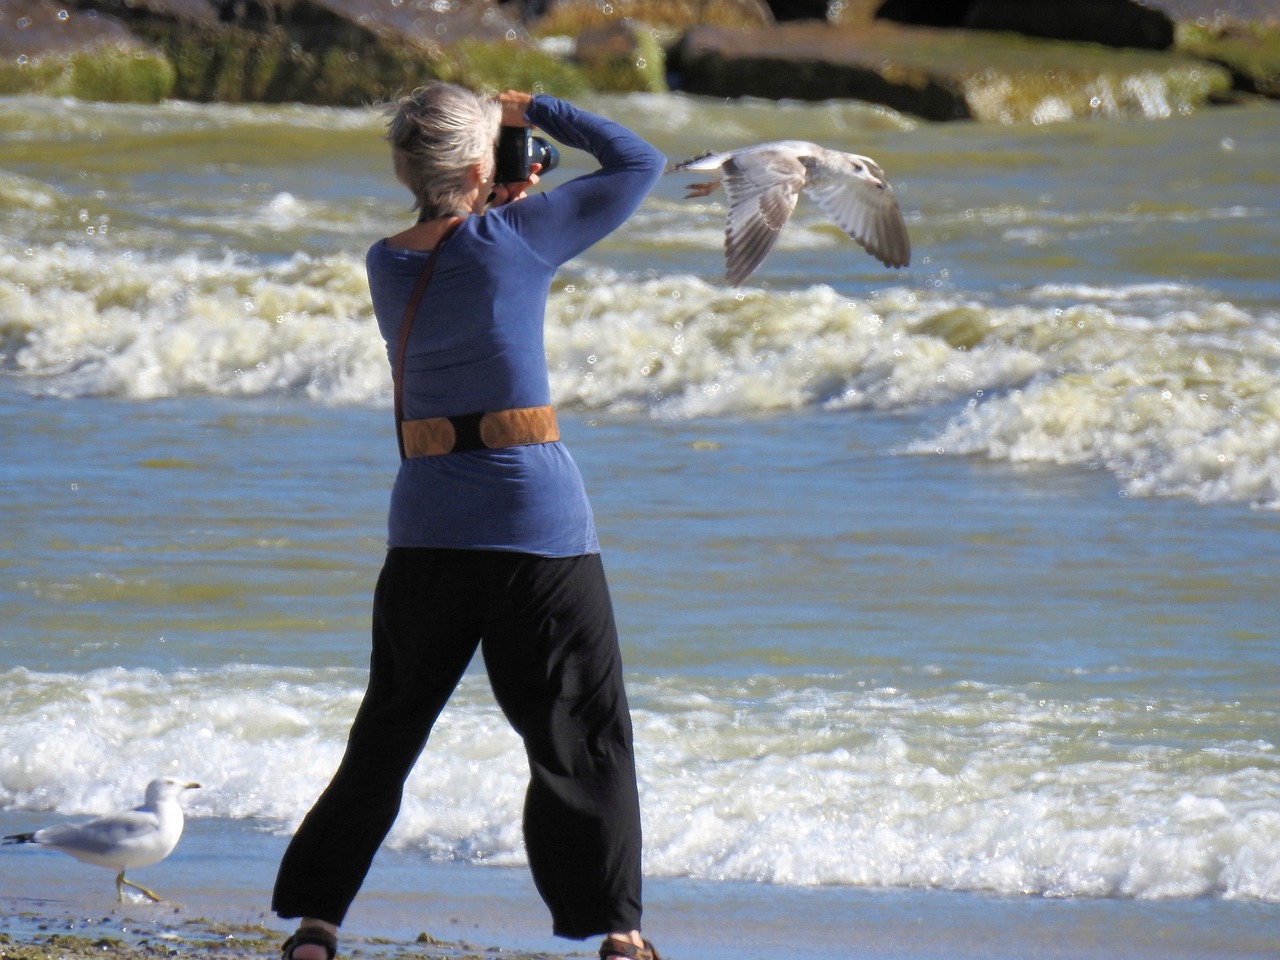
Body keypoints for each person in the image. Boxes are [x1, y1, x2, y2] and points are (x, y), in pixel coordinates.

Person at [270, 84, 666, 960]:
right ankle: (619, 933)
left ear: (408, 168)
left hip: (425, 526)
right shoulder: (515, 237)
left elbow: (456, 245)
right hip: (537, 525)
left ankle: (316, 923)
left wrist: (496, 174)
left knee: (388, 731)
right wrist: (539, 104)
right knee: (578, 734)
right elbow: (640, 163)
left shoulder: (386, 261)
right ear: (484, 167)